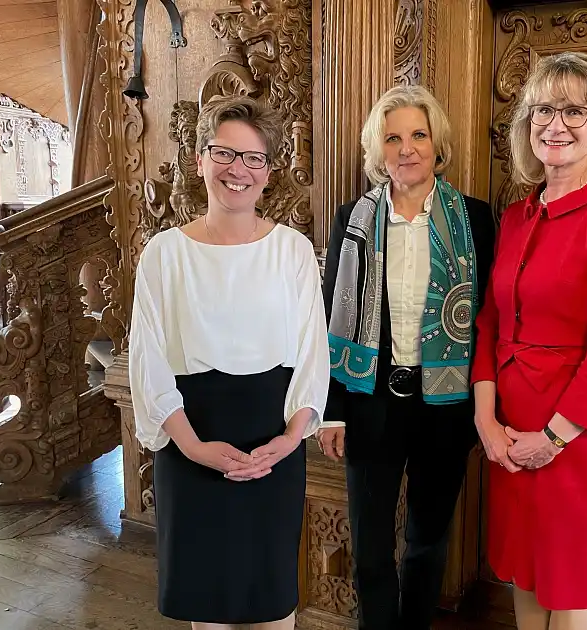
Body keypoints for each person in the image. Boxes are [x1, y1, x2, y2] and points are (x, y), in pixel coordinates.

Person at [128, 95, 330, 630]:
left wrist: (288, 441)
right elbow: (148, 360)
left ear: (269, 172)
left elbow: (313, 356)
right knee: (209, 614)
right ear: (199, 160)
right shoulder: (164, 253)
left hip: (272, 447)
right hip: (191, 442)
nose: (237, 170)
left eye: (254, 158)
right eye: (224, 153)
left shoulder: (293, 250)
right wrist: (194, 446)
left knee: (273, 611)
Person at [471, 52, 587, 630]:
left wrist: (552, 438)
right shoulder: (518, 216)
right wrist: (486, 422)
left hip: (575, 437)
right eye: (544, 109)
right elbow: (489, 325)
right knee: (526, 577)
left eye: (575, 110)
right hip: (508, 433)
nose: (557, 123)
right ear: (528, 124)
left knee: (569, 590)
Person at [316, 85, 496, 630]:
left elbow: (488, 321)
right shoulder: (354, 218)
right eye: (392, 138)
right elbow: (331, 317)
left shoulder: (477, 219)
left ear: (437, 144)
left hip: (445, 406)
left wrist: (482, 414)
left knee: (427, 543)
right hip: (370, 404)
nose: (406, 148)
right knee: (370, 549)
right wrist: (332, 408)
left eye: (418, 134)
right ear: (378, 150)